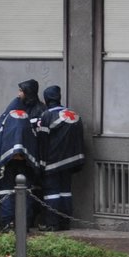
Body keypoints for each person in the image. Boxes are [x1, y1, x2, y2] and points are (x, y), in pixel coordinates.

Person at [35, 85, 86, 231]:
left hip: (53, 161)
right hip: (72, 161)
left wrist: (42, 163)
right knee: (66, 192)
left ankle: (52, 224)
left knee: (52, 193)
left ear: (46, 98)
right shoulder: (73, 114)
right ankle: (65, 222)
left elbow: (43, 141)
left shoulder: (47, 115)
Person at [0, 88, 41, 231]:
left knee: (6, 192)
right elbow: (33, 140)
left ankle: (7, 224)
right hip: (25, 161)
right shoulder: (26, 118)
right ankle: (24, 223)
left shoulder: (5, 118)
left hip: (7, 162)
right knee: (26, 192)